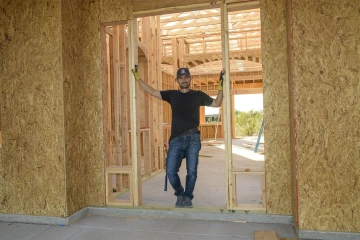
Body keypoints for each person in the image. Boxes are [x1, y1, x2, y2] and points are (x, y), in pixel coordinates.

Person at [132, 66, 224, 208]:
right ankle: (180, 193)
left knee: (192, 172)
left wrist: (221, 85)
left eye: (186, 77)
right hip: (176, 140)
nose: (184, 80)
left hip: (193, 137)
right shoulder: (172, 95)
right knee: (170, 171)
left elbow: (217, 103)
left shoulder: (198, 95)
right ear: (177, 80)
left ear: (190, 79)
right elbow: (152, 91)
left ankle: (188, 197)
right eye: (181, 78)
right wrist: (138, 79)